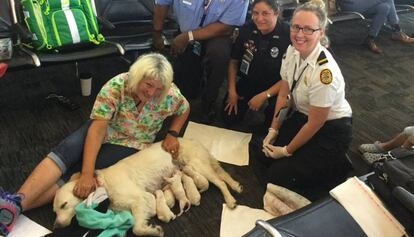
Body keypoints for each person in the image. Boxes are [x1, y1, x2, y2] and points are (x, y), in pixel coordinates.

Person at [0, 53, 190, 236]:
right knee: (68, 151)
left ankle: (13, 207)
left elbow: (185, 108)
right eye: (148, 85)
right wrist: (87, 173)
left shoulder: (169, 94)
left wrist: (173, 133)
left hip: (133, 143)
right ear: (137, 77)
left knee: (74, 172)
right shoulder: (116, 86)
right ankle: (15, 203)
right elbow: (97, 130)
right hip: (104, 128)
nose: (151, 92)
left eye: (158, 89)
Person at [250, 0, 353, 195]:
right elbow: (284, 93)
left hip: (331, 130)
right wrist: (273, 129)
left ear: (320, 32)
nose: (299, 34)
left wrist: (286, 150)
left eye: (308, 30)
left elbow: (315, 124)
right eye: (296, 27)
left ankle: (336, 165)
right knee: (262, 151)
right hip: (303, 116)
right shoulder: (292, 52)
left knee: (276, 177)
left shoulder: (325, 74)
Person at [152, 0, 249, 122]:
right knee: (188, 89)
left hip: (218, 34)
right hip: (186, 29)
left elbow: (227, 27)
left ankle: (209, 101)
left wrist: (189, 36)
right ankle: (192, 86)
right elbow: (162, 3)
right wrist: (157, 33)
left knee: (219, 56)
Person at [222, 0, 291, 129]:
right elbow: (234, 61)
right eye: (255, 13)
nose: (259, 18)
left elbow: (290, 75)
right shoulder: (246, 29)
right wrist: (231, 90)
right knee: (228, 118)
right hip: (250, 80)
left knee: (273, 125)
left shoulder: (288, 34)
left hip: (277, 85)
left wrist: (266, 95)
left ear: (276, 13)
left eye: (265, 13)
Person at [337, 0, 414, 54]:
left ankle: (370, 38)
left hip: (363, 3)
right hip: (350, 4)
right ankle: (397, 30)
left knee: (384, 7)